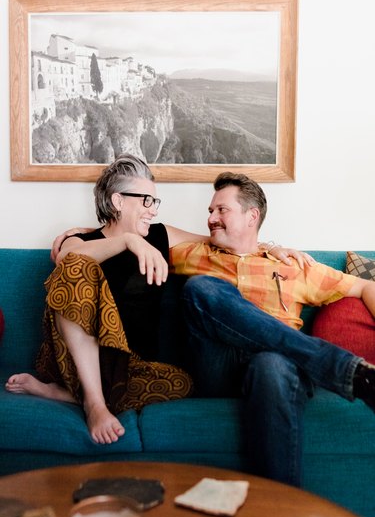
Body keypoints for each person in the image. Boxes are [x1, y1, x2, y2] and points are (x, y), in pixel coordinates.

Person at [5, 154, 309, 446]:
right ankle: (95, 404)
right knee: (76, 268)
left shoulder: (161, 235)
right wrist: (128, 240)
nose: (153, 209)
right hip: (74, 360)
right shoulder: (80, 243)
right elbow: (68, 260)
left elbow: (223, 243)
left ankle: (68, 393)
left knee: (183, 383)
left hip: (128, 368)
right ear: (118, 201)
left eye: (155, 202)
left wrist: (271, 248)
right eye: (146, 200)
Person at [169, 171, 375, 487]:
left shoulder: (294, 266)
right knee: (201, 288)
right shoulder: (195, 254)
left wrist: (265, 248)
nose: (211, 218)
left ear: (252, 216)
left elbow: (364, 287)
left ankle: (277, 513)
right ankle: (346, 371)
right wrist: (82, 234)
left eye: (221, 210)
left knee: (271, 363)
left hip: (277, 368)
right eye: (210, 211)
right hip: (217, 367)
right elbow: (148, 232)